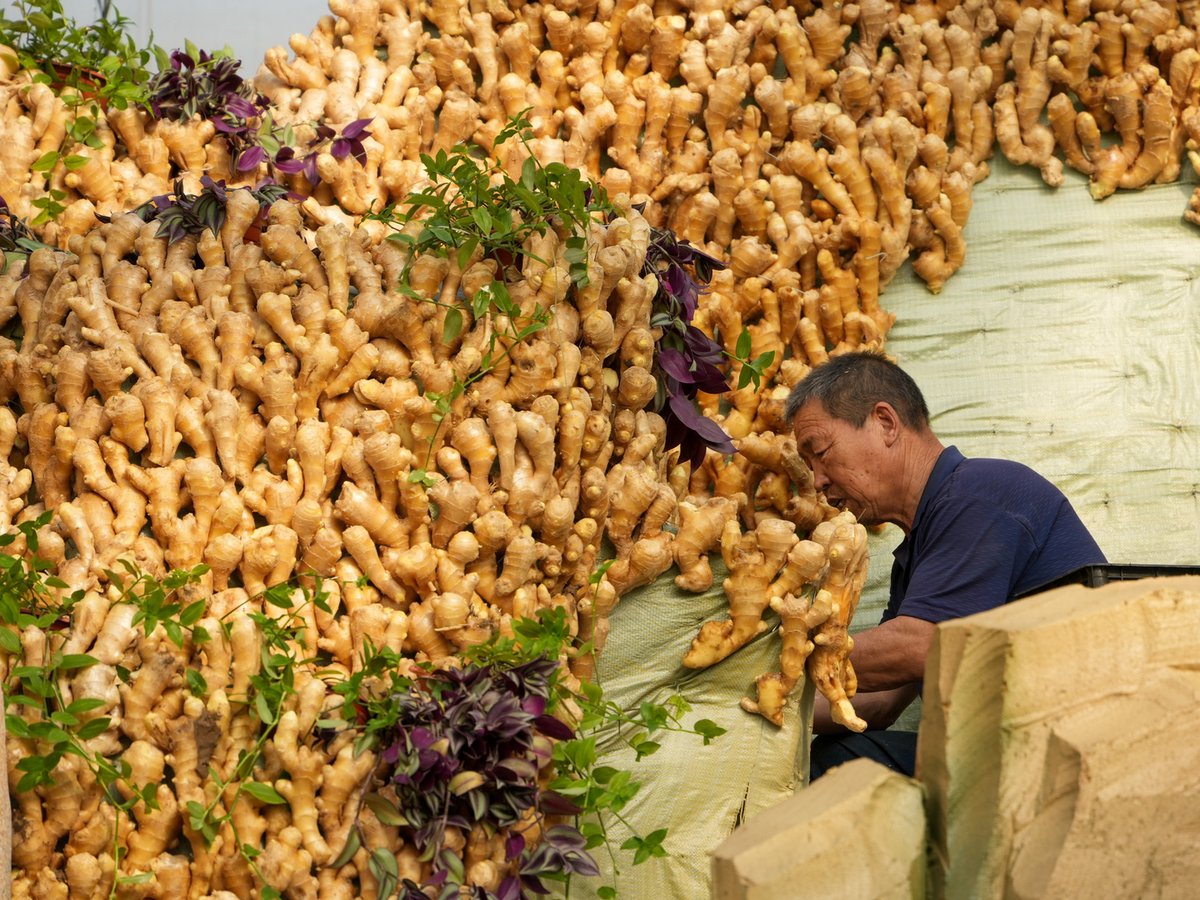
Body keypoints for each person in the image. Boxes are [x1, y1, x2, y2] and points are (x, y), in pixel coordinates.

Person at [785, 351, 1106, 780]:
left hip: (1074, 748)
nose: (818, 480)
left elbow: (921, 645)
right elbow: (879, 700)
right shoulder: (918, 551)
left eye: (821, 452)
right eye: (809, 465)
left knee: (842, 767)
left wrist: (784, 658)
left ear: (885, 422)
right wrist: (771, 706)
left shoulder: (980, 492)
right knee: (844, 752)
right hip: (1009, 749)